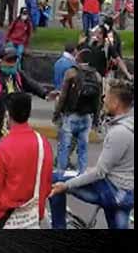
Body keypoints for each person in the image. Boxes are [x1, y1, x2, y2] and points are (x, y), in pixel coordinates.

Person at [49, 79, 134, 229]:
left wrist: (66, 185)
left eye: (106, 97)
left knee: (55, 179)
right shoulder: (130, 126)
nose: (103, 100)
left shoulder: (119, 132)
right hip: (126, 193)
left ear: (116, 103)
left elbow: (100, 173)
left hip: (112, 191)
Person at [0, 92, 54, 229]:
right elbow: (46, 183)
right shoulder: (42, 143)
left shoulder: (2, 147)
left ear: (8, 114)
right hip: (32, 218)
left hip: (6, 219)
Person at [0, 47, 54, 155]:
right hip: (0, 133)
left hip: (17, 131)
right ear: (0, 61)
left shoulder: (17, 76)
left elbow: (31, 84)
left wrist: (45, 94)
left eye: (14, 61)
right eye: (9, 61)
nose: (12, 64)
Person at [53, 48, 102, 174]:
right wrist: (97, 119)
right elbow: (98, 100)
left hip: (71, 115)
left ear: (78, 59)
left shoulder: (71, 73)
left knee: (65, 146)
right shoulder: (96, 75)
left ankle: (60, 173)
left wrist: (57, 113)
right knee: (83, 148)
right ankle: (82, 173)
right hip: (87, 117)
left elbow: (63, 96)